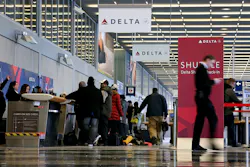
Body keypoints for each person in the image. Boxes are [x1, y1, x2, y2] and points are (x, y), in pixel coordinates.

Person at [192, 55, 222, 151]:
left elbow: (202, 83)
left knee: (200, 121)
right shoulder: (201, 69)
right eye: (212, 63)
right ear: (208, 60)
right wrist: (214, 81)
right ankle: (210, 143)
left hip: (202, 98)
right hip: (203, 99)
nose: (212, 65)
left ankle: (195, 145)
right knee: (212, 118)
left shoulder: (201, 69)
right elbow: (203, 83)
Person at [66, 77, 103, 145]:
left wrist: (66, 97)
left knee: (85, 126)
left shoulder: (84, 90)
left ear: (88, 82)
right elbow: (101, 102)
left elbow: (74, 95)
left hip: (86, 112)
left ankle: (87, 138)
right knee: (94, 126)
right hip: (96, 112)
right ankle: (91, 140)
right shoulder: (98, 91)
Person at [224, 78, 241, 147]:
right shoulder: (229, 90)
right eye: (234, 83)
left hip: (223, 112)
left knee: (223, 128)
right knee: (231, 129)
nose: (234, 85)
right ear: (231, 83)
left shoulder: (224, 89)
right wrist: (241, 103)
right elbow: (236, 100)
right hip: (228, 112)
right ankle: (233, 143)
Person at [99, 79, 112, 146]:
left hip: (103, 111)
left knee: (103, 126)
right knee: (105, 126)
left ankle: (104, 140)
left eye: (102, 83)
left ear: (105, 84)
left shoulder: (104, 91)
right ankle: (104, 140)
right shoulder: (109, 91)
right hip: (107, 111)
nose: (101, 85)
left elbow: (102, 101)